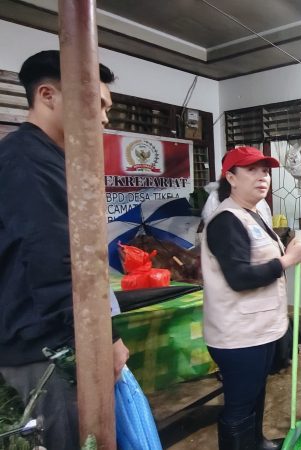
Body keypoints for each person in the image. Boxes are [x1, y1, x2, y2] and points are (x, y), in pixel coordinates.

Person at [0, 50, 129, 450]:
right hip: (46, 349)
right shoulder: (25, 160)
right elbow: (52, 260)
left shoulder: (56, 159)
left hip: (59, 341)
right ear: (47, 95)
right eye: (97, 104)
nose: (105, 118)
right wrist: (103, 340)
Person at [201, 146, 301, 450]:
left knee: (255, 395)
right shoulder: (226, 220)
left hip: (260, 330)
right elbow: (239, 278)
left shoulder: (253, 214)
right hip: (237, 335)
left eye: (265, 171)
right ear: (231, 177)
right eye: (252, 170)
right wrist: (287, 260)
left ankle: (256, 442)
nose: (263, 177)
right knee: (239, 405)